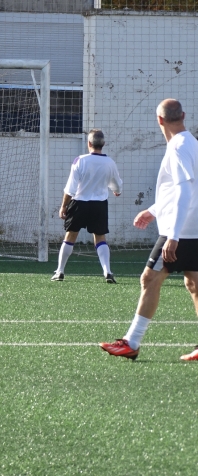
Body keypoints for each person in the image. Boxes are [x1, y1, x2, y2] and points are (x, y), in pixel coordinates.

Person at [101, 99, 198, 361]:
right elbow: (178, 189)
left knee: (149, 279)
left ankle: (131, 342)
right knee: (194, 284)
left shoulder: (178, 147)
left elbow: (185, 191)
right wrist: (153, 211)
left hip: (182, 230)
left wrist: (173, 236)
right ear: (184, 116)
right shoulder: (191, 143)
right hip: (193, 228)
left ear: (159, 120)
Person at [52, 129, 123, 283]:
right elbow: (117, 184)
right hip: (99, 205)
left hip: (79, 203)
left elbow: (70, 188)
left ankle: (60, 271)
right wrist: (116, 191)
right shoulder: (110, 162)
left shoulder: (80, 160)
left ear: (89, 143)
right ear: (103, 144)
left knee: (70, 235)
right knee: (100, 237)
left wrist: (64, 206)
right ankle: (107, 272)